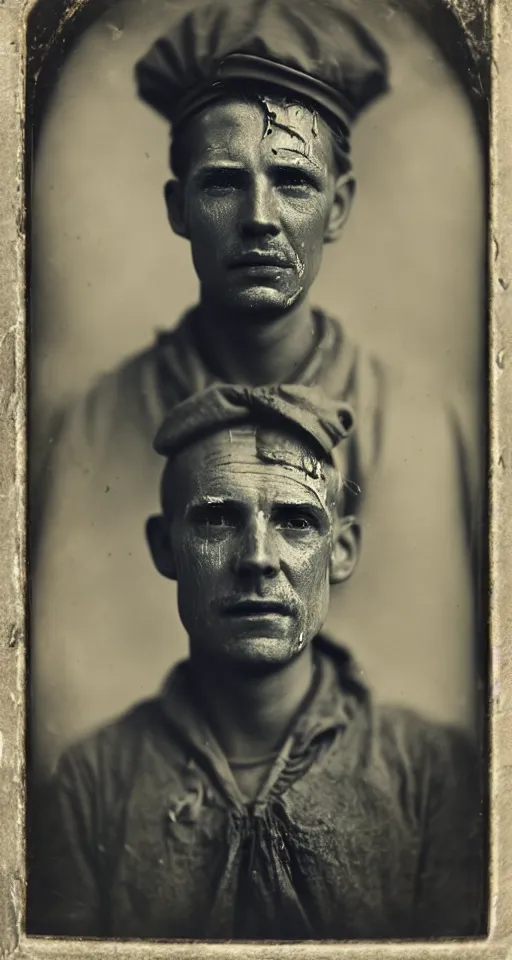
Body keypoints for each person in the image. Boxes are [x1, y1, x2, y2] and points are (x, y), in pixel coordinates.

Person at [31, 0, 480, 779]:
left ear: (337, 207)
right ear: (177, 208)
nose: (260, 219)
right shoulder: (93, 428)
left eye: (294, 182)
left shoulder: (418, 427)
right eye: (224, 184)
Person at [29, 385, 483, 940]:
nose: (258, 560)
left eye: (295, 521)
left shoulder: (430, 772)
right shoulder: (89, 783)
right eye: (218, 520)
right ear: (165, 547)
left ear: (341, 550)